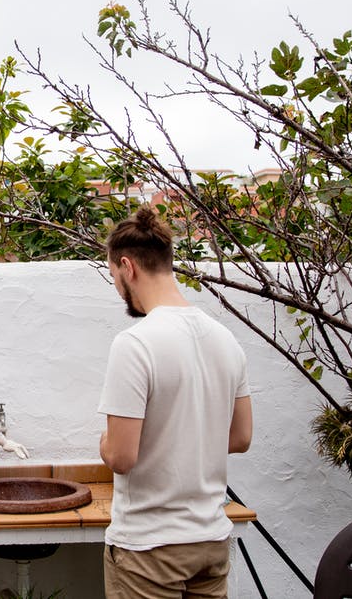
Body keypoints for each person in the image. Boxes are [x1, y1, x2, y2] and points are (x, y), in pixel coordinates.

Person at [98, 205, 254, 598]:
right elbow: (240, 438)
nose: (118, 287)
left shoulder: (134, 344)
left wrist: (105, 441)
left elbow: (121, 456)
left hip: (149, 548)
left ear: (128, 267)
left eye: (114, 276)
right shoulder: (225, 339)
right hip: (211, 542)